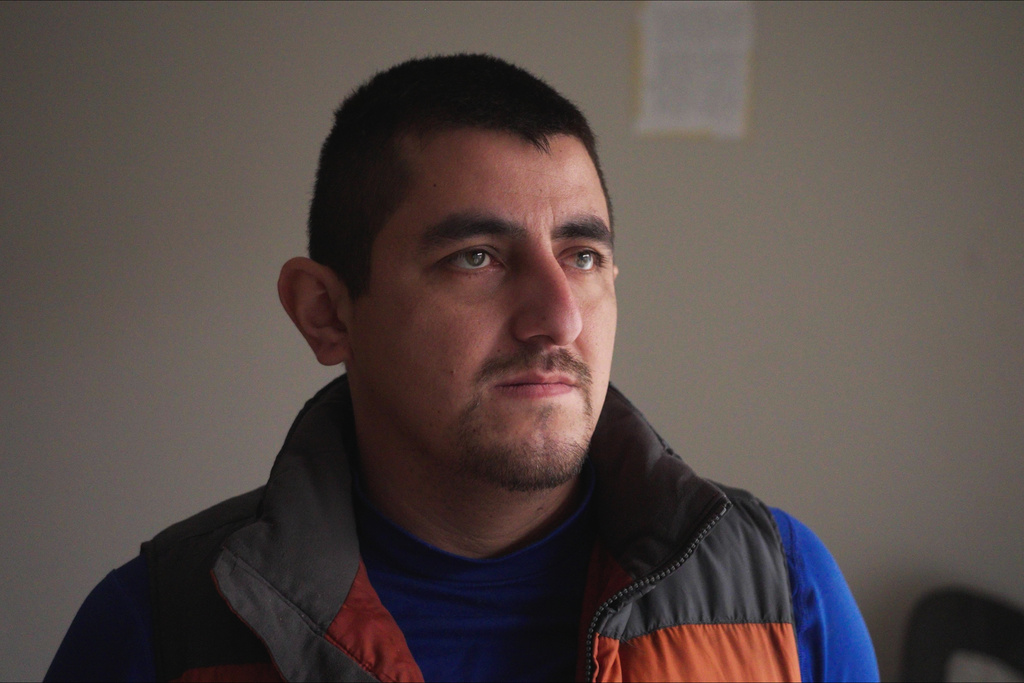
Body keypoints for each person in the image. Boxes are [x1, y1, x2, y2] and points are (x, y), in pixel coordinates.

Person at [46, 54, 878, 682]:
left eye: (583, 255)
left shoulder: (784, 593)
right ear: (326, 312)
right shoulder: (161, 626)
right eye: (477, 257)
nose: (559, 316)